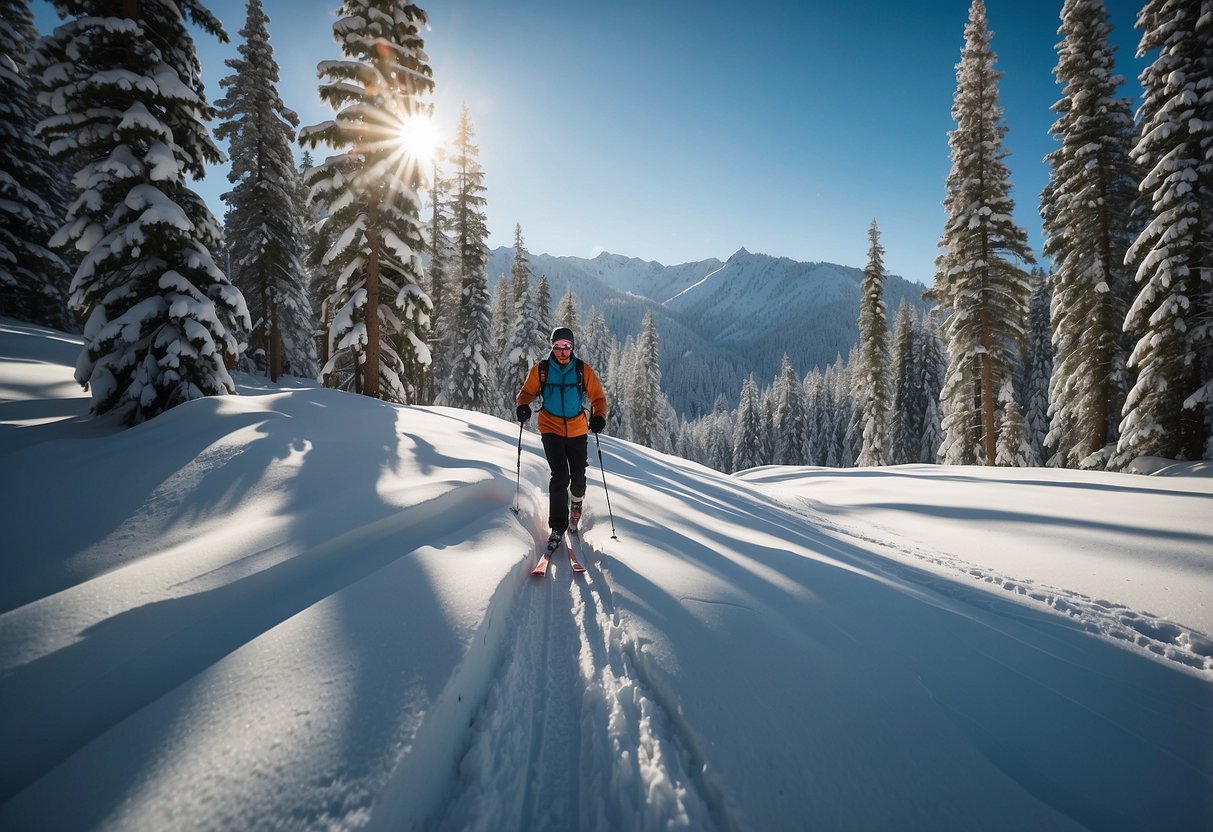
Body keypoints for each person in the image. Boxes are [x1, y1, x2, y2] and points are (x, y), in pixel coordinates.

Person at [516, 326, 608, 546]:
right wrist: (523, 406)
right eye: (557, 347)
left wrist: (599, 417)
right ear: (552, 347)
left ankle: (576, 502)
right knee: (560, 476)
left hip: (577, 429)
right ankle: (557, 526)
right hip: (550, 427)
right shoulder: (542, 370)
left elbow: (598, 398)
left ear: (572, 347)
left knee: (577, 477)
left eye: (566, 347)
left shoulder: (582, 370)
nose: (562, 352)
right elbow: (526, 393)